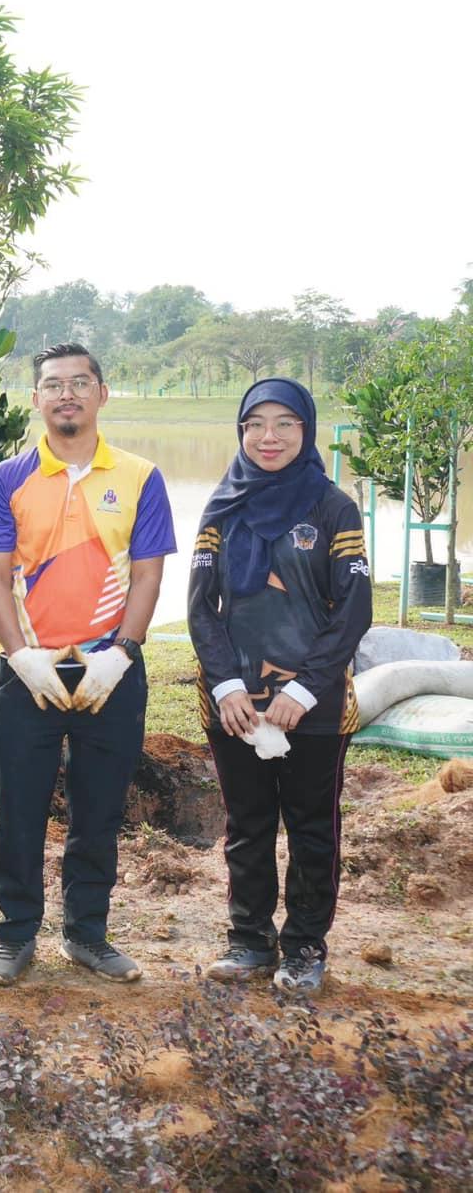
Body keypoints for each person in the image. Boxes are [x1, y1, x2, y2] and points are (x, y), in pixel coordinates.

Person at [0, 343, 174, 986]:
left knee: (98, 809)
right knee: (18, 808)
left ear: (102, 393)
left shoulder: (142, 476)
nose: (67, 394)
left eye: (80, 382)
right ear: (35, 399)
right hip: (27, 671)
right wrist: (22, 656)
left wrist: (123, 653)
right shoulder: (5, 479)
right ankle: (14, 934)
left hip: (109, 670)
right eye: (53, 384)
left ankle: (87, 933)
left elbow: (147, 576)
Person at [188, 378, 370, 995]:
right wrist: (227, 684)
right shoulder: (222, 506)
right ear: (239, 431)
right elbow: (200, 609)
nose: (269, 437)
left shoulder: (333, 507)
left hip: (310, 707)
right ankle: (249, 941)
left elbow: (354, 609)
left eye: (285, 423)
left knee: (313, 826)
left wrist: (306, 689)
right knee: (247, 824)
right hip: (236, 703)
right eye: (255, 424)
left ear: (306, 430)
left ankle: (304, 948)